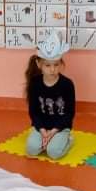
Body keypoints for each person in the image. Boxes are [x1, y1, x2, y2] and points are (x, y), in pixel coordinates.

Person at [25, 32, 75, 160]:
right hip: (41, 127)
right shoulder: (35, 84)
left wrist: (53, 131)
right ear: (39, 64)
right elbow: (33, 112)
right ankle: (46, 141)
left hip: (60, 128)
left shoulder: (67, 84)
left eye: (56, 64)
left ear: (61, 63)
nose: (52, 69)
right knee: (31, 149)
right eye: (48, 65)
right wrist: (42, 131)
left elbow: (69, 113)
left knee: (53, 153)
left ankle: (69, 140)